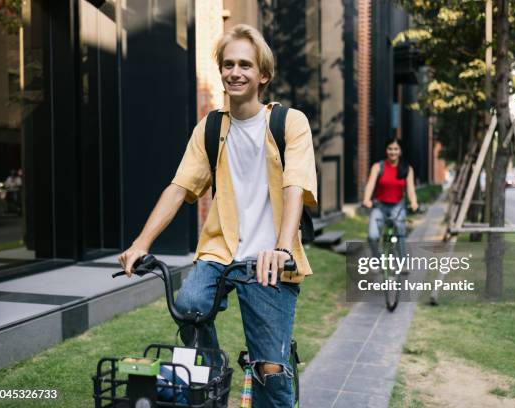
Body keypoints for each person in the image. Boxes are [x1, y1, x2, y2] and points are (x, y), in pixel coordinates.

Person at [118, 24, 317, 407]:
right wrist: (140, 244)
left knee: (269, 373)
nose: (235, 72)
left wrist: (280, 248)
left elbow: (295, 185)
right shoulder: (210, 127)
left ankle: (269, 375)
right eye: (228, 64)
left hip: (269, 260)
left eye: (245, 64)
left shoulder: (289, 123)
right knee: (190, 303)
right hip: (220, 252)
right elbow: (179, 188)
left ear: (263, 75)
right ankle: (212, 381)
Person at [362, 138, 418, 259]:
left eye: (396, 149)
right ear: (386, 150)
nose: (393, 152)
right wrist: (367, 199)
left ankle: (402, 261)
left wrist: (414, 202)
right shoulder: (378, 166)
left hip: (398, 207)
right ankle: (377, 260)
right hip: (379, 206)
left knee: (401, 232)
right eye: (390, 149)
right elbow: (370, 184)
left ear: (400, 151)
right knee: (372, 236)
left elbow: (411, 189)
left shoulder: (407, 169)